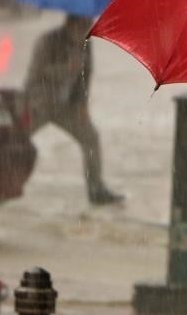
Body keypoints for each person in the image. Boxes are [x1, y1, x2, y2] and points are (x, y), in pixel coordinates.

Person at [24, 13, 123, 205]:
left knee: (91, 138)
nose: (87, 30)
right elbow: (35, 74)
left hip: (67, 105)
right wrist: (65, 68)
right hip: (39, 103)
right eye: (84, 25)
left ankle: (96, 189)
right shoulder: (48, 41)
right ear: (72, 24)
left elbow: (86, 77)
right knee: (16, 138)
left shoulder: (87, 44)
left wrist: (82, 105)